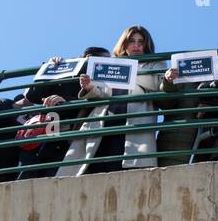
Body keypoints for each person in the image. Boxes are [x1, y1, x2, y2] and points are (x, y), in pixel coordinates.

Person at [58, 26, 165, 176]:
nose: (136, 46)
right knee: (94, 166)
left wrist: (128, 69)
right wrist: (90, 88)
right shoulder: (111, 64)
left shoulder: (154, 63)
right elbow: (102, 95)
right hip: (104, 120)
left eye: (140, 42)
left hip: (133, 122)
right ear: (124, 44)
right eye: (131, 41)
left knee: (124, 169)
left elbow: (156, 86)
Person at [16, 47, 110, 178]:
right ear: (89, 57)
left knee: (60, 171)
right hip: (49, 128)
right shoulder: (67, 69)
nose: (106, 65)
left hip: (75, 131)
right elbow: (33, 96)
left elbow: (97, 102)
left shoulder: (100, 83)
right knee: (33, 172)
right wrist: (50, 68)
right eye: (105, 60)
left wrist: (66, 101)